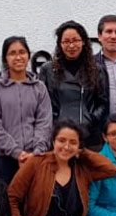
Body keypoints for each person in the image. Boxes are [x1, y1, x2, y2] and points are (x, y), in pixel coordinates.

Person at [0, 35, 53, 183]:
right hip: (3, 159)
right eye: (12, 53)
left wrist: (36, 152)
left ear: (28, 56)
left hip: (35, 157)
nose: (18, 57)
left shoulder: (39, 87)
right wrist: (17, 152)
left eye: (22, 52)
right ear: (5, 59)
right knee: (5, 202)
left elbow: (44, 122)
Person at [39, 20, 108, 149]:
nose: (71, 46)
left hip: (90, 138)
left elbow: (103, 103)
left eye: (75, 40)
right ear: (60, 44)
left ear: (83, 42)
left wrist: (91, 120)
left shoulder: (96, 70)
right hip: (58, 137)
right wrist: (55, 121)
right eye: (66, 42)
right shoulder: (48, 70)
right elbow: (42, 104)